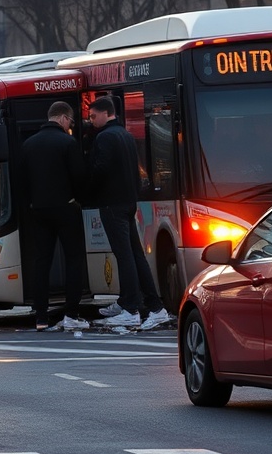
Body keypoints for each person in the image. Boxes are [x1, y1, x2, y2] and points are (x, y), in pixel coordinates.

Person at [86, 96, 173, 330]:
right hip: (128, 202)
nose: (91, 120)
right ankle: (154, 306)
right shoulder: (125, 135)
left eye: (93, 116)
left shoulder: (104, 137)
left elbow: (100, 170)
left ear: (105, 113)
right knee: (135, 255)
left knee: (124, 256)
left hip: (111, 203)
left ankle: (131, 309)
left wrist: (89, 190)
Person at [22, 101, 89, 332]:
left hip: (38, 210)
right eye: (70, 121)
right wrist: (77, 199)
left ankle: (41, 316)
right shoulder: (68, 142)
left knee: (42, 262)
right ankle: (71, 313)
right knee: (73, 259)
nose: (70, 126)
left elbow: (22, 180)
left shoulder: (28, 145)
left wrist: (31, 203)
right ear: (62, 118)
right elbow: (79, 176)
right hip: (66, 208)